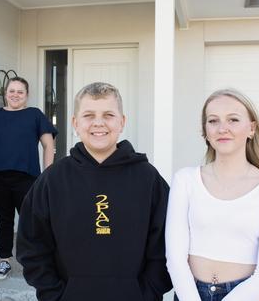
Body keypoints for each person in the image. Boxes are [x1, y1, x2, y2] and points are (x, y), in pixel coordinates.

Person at [16, 82, 172, 301]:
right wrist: (55, 295)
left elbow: (168, 245)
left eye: (108, 114)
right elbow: (31, 246)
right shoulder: (53, 179)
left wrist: (147, 292)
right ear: (75, 123)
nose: (98, 123)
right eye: (89, 115)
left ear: (122, 122)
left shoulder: (148, 179)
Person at [166, 88, 259, 301]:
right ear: (205, 131)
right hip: (190, 295)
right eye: (213, 121)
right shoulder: (185, 180)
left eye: (233, 120)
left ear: (251, 128)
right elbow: (175, 259)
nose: (222, 128)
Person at [0, 76, 57, 280]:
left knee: (31, 222)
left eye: (20, 91)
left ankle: (36, 263)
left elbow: (48, 145)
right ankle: (4, 261)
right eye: (12, 91)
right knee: (4, 220)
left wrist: (46, 176)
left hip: (26, 177)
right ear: (5, 93)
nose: (15, 95)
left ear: (26, 95)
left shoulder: (34, 115)